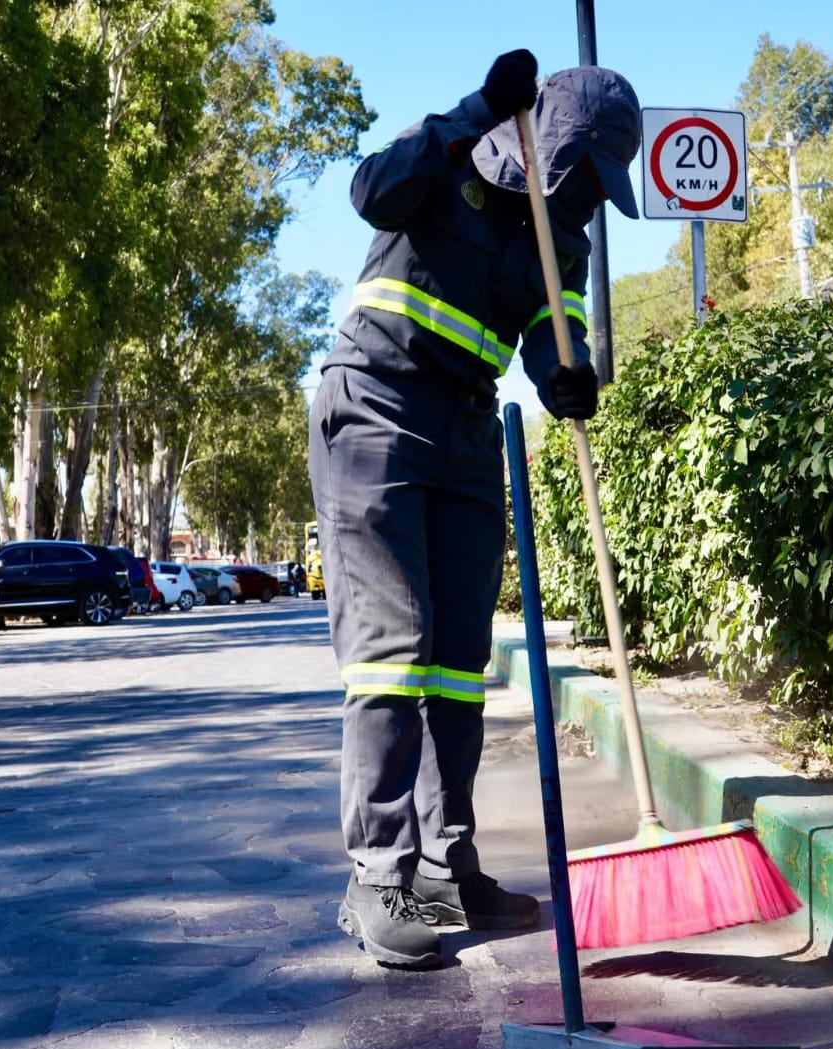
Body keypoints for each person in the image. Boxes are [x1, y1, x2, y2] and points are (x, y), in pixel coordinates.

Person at [307, 50, 642, 969]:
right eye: (583, 173)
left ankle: (449, 864)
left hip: (465, 426)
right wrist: (474, 111)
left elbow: (547, 330)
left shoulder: (561, 235)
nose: (588, 197)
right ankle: (378, 872)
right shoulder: (450, 161)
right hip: (374, 404)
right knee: (391, 653)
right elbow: (370, 190)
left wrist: (567, 378)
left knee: (459, 661)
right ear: (549, 148)